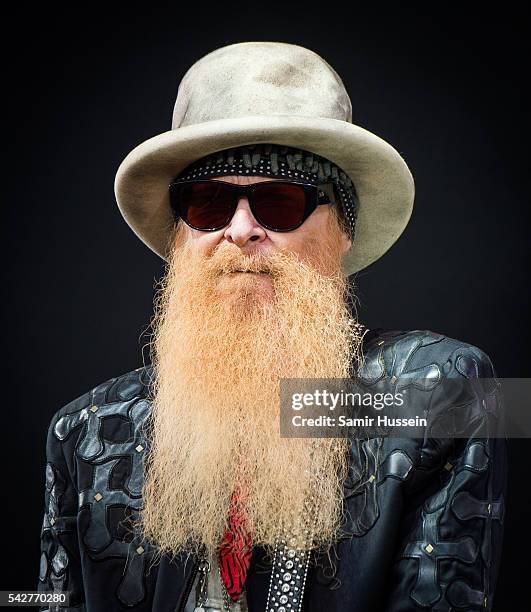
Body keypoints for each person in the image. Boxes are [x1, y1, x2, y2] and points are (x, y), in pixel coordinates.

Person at [37, 41, 506, 612]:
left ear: (342, 233)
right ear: (182, 235)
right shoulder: (82, 430)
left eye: (280, 203)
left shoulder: (442, 391)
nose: (240, 231)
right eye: (207, 205)